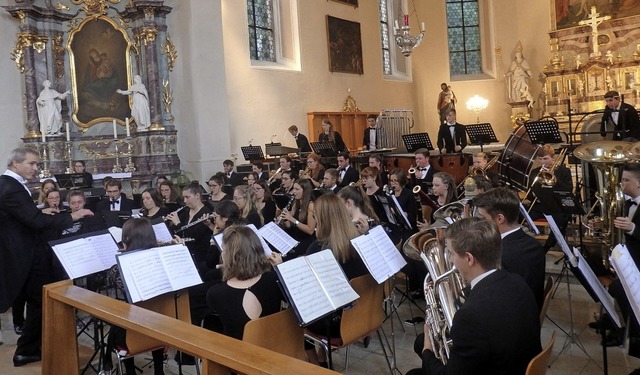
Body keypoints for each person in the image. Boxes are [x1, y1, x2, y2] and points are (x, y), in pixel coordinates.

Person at [407, 217, 541, 375]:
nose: (450, 260)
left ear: (469, 258)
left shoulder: (469, 316)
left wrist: (427, 351)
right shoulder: (517, 281)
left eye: (451, 254)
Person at [0, 147, 94, 367]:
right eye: (32, 163)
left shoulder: (9, 184)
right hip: (25, 254)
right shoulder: (12, 187)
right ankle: (27, 350)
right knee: (39, 301)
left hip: (22, 251)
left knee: (37, 301)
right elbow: (37, 224)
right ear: (16, 164)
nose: (36, 168)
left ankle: (29, 348)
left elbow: (23, 217)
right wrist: (73, 215)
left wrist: (38, 213)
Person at [304, 194, 369, 366]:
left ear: (323, 218)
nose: (314, 219)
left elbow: (307, 288)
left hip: (336, 325)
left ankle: (316, 363)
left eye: (315, 216)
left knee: (296, 311)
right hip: (363, 315)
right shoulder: (360, 242)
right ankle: (322, 355)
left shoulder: (319, 248)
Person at [104, 218, 166, 375]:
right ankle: (159, 371)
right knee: (152, 312)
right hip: (163, 326)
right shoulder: (164, 259)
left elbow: (114, 295)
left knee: (123, 318)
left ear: (126, 239)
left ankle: (130, 371)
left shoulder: (118, 269)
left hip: (133, 331)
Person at [472, 187, 546, 311]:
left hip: (511, 319)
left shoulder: (501, 255)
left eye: (483, 218)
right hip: (527, 312)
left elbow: (492, 297)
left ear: (500, 219)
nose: (479, 223)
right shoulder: (532, 243)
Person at [206, 225, 284, 340]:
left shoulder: (216, 293)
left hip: (238, 354)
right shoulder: (274, 279)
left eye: (223, 250)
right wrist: (281, 269)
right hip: (274, 347)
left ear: (230, 256)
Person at [601, 163, 640, 355]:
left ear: (639, 184)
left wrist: (633, 228)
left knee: (617, 288)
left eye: (626, 180)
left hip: (638, 262)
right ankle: (613, 320)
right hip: (628, 257)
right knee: (591, 262)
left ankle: (630, 333)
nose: (621, 184)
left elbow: (633, 231)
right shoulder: (626, 203)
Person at [527, 145, 572, 252]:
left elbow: (568, 190)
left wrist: (554, 179)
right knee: (520, 214)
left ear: (553, 157)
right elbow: (529, 195)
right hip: (541, 206)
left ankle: (547, 247)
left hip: (557, 206)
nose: (543, 162)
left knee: (561, 220)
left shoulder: (564, 171)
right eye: (540, 159)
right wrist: (533, 194)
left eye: (546, 159)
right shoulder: (535, 172)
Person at [166, 182, 212, 267]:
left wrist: (177, 223)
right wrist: (170, 223)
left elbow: (193, 236)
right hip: (184, 252)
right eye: (184, 198)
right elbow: (176, 234)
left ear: (197, 196)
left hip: (199, 255)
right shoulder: (185, 212)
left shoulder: (206, 213)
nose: (185, 201)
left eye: (187, 197)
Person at [278, 179, 317, 257]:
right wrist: (283, 221)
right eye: (294, 189)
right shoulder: (296, 203)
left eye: (297, 189)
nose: (294, 192)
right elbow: (290, 225)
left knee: (287, 254)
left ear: (305, 191)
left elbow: (310, 230)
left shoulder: (311, 205)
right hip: (296, 236)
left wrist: (292, 219)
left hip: (306, 240)